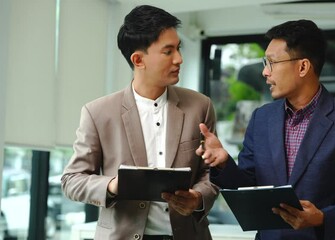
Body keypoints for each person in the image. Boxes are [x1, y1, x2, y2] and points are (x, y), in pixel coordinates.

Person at [197, 19, 335, 240]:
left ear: (303, 66)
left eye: (271, 62)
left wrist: (322, 217)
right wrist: (224, 163)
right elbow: (248, 187)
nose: (265, 72)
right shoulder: (262, 119)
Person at [61, 5, 218, 240]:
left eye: (178, 48)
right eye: (168, 51)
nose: (179, 59)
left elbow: (210, 174)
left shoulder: (200, 106)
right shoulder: (97, 112)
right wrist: (112, 185)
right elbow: (72, 180)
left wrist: (197, 198)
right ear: (138, 59)